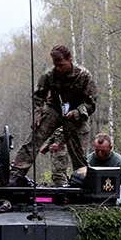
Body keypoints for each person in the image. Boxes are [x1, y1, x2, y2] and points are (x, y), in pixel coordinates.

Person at [9, 45, 97, 185]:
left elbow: (91, 103)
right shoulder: (49, 75)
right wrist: (38, 113)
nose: (58, 68)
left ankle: (81, 179)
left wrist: (76, 112)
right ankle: (16, 173)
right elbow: (38, 96)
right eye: (56, 65)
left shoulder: (84, 75)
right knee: (35, 137)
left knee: (78, 150)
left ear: (70, 60)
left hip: (76, 113)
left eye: (61, 65)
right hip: (54, 108)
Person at [86, 133, 121, 200]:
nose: (100, 154)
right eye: (97, 150)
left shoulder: (119, 163)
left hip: (114, 202)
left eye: (104, 151)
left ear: (110, 148)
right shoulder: (87, 162)